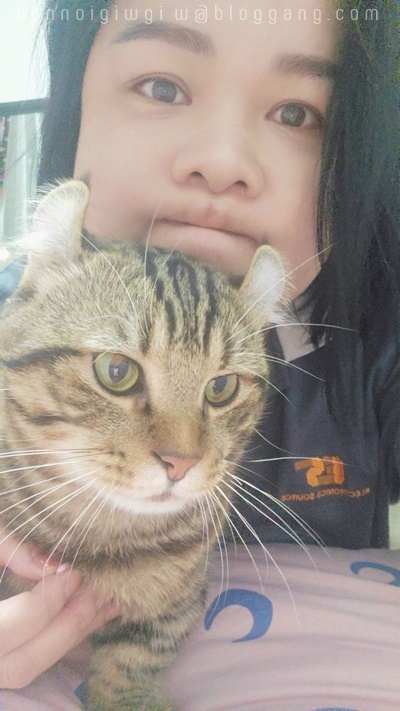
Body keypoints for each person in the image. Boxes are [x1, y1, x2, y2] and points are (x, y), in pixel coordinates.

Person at [0, 0, 398, 691]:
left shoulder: (371, 340)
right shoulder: (30, 308)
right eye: (162, 87)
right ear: (73, 104)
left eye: (298, 113)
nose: (222, 163)